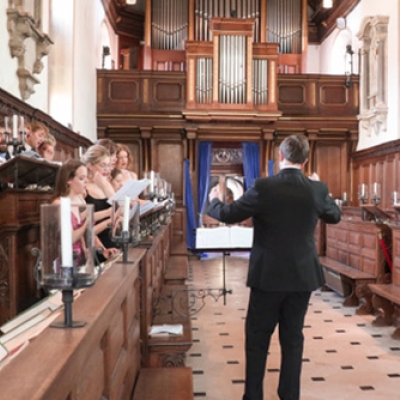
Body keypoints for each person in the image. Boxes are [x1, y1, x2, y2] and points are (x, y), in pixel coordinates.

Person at [207, 135, 341, 400]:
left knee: (257, 339)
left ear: (280, 157)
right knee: (293, 338)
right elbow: (334, 216)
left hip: (268, 276)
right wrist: (320, 190)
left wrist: (214, 200)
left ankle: (253, 396)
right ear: (305, 160)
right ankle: (289, 395)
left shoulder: (264, 186)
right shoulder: (317, 189)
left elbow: (229, 215)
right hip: (302, 276)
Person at [52, 160, 118, 264]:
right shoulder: (59, 203)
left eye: (86, 177)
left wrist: (102, 250)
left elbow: (85, 231)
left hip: (81, 257)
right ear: (69, 180)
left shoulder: (80, 200)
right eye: (82, 178)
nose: (86, 181)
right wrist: (88, 222)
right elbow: (71, 238)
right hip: (67, 259)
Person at [81, 145, 118, 261]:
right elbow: (83, 221)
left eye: (108, 165)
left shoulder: (107, 185)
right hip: (96, 242)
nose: (107, 169)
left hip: (113, 238)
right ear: (90, 166)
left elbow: (119, 208)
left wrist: (105, 186)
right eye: (102, 165)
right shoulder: (83, 189)